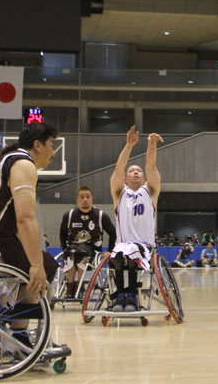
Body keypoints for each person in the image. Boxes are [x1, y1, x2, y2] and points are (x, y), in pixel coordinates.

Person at [0, 123, 61, 345]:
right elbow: (25, 219)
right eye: (51, 145)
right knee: (46, 266)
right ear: (37, 145)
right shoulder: (23, 164)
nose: (53, 152)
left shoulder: (1, 162)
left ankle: (5, 313)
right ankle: (16, 331)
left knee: (39, 261)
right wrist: (36, 265)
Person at [109, 126, 163, 313]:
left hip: (144, 246)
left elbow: (151, 167)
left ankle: (131, 295)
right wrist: (129, 145)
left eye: (138, 170)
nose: (136, 172)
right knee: (120, 254)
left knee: (129, 253)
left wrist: (151, 145)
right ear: (125, 178)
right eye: (132, 171)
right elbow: (118, 169)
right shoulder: (119, 193)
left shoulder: (150, 191)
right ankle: (120, 296)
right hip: (122, 245)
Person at [59, 185, 116, 298]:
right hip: (73, 249)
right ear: (77, 199)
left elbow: (113, 233)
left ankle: (80, 287)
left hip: (92, 250)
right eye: (82, 197)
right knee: (71, 253)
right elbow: (62, 234)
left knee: (81, 253)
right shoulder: (69, 215)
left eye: (87, 197)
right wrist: (64, 249)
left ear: (92, 198)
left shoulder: (100, 216)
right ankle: (70, 287)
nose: (85, 199)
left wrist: (110, 251)